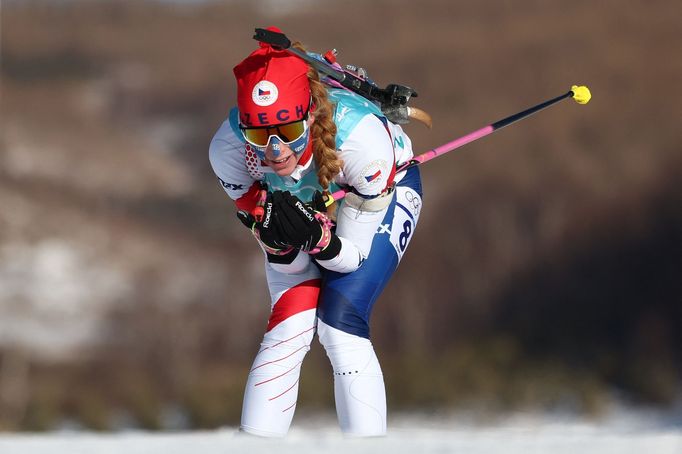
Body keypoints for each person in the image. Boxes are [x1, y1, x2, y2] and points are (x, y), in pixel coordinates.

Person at [209, 28, 423, 437]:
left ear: (308, 114)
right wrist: (279, 242)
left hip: (382, 187)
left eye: (287, 131)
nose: (274, 150)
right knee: (291, 321)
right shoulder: (228, 151)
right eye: (258, 134)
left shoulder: (361, 144)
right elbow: (287, 267)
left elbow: (352, 257)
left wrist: (318, 240)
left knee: (339, 320)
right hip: (315, 202)